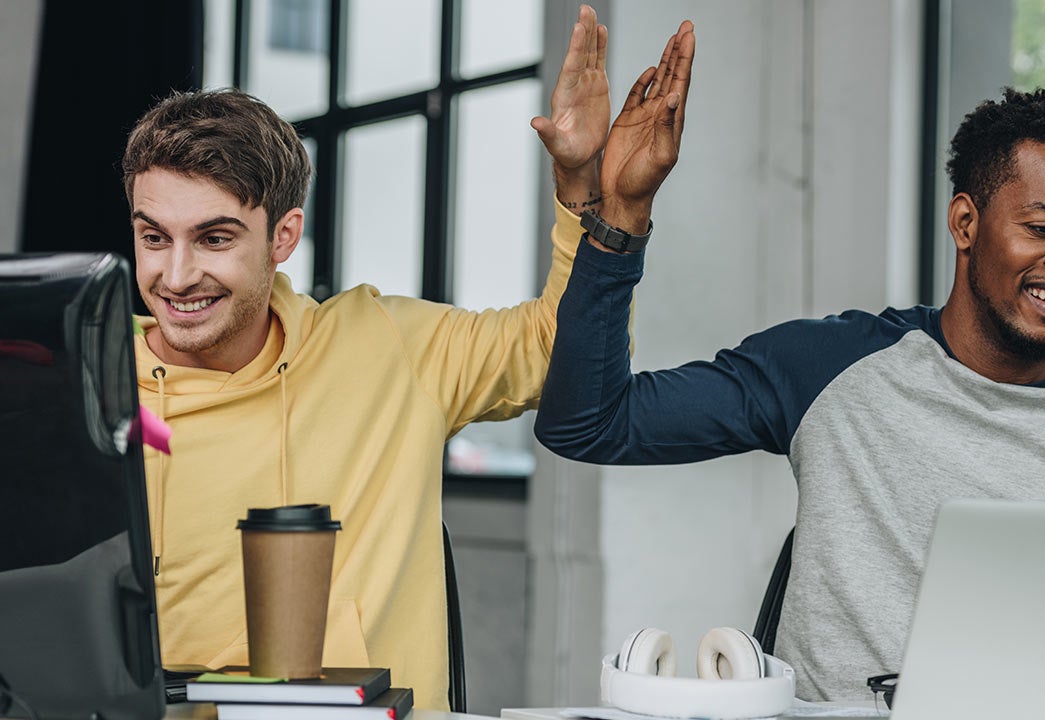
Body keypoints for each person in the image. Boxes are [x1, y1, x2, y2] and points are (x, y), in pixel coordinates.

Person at [534, 86, 1045, 701]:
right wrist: (618, 220)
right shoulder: (830, 366)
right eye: (1042, 228)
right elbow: (590, 424)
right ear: (966, 223)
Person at [121, 5, 694, 709]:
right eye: (154, 238)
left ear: (283, 237)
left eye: (213, 239)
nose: (176, 277)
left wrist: (592, 198)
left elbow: (557, 350)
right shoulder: (84, 389)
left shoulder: (384, 346)